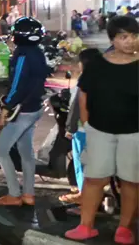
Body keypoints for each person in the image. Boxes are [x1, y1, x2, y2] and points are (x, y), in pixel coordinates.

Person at [65, 16, 138, 244]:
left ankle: (124, 229)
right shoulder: (98, 64)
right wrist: (87, 124)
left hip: (134, 134)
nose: (130, 42)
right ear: (113, 39)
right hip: (100, 132)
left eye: (134, 36)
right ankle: (86, 226)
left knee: (131, 181)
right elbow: (84, 94)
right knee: (94, 179)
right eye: (123, 37)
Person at [0, 17, 49, 207]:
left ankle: (14, 194)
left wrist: (4, 110)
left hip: (21, 111)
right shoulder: (38, 53)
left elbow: (17, 85)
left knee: (0, 150)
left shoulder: (23, 55)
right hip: (35, 108)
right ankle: (28, 194)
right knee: (26, 152)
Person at [58, 48, 102, 207]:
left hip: (83, 130)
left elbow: (76, 106)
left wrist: (70, 128)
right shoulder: (104, 78)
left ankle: (86, 199)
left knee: (81, 165)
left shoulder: (86, 80)